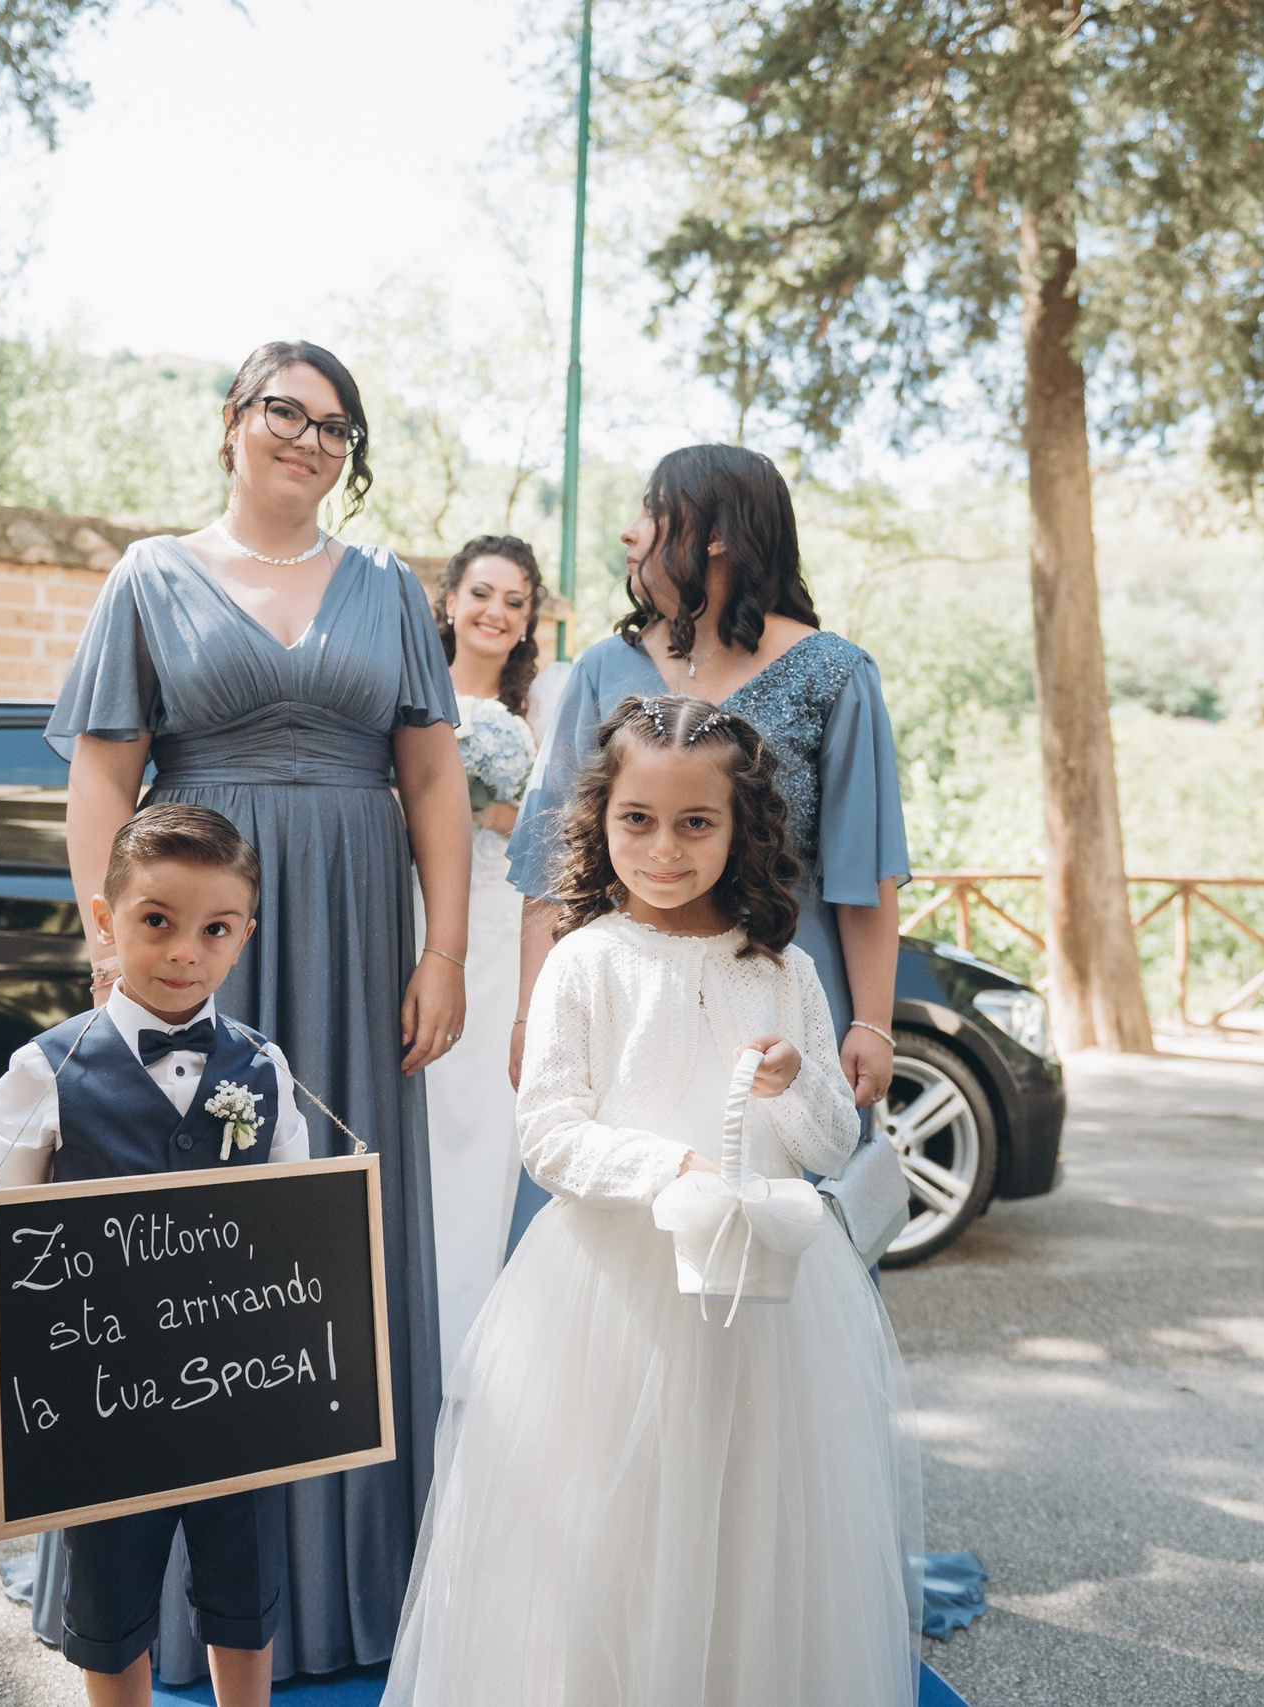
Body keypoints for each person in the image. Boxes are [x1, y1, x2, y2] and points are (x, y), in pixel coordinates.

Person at [43, 340, 471, 1682]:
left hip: (352, 930)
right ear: (232, 420)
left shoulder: (391, 589)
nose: (310, 438)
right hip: (187, 939)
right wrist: (112, 948)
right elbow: (103, 781)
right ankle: (165, 1601)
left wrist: (443, 947)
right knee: (184, 1250)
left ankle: (348, 1582)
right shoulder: (149, 578)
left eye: (336, 423)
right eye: (286, 410)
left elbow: (436, 780)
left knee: (332, 1235)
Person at [387, 695, 920, 1706]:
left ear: (742, 827)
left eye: (695, 823)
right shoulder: (585, 961)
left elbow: (829, 1141)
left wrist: (794, 1079)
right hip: (609, 1305)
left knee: (748, 1526)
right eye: (638, 820)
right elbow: (547, 1134)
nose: (664, 849)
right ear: (602, 821)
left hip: (757, 1307)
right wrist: (669, 1170)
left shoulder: (784, 972)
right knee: (611, 1533)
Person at [505, 446, 908, 1247]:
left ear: (715, 534)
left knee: (772, 1247)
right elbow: (551, 864)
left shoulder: (835, 673)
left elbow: (865, 871)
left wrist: (874, 1022)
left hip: (774, 996)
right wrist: (529, 1010)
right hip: (621, 999)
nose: (630, 531)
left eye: (651, 511)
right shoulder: (602, 667)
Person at [0, 805, 309, 1706]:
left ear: (244, 937)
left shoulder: (264, 1069)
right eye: (157, 919)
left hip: (239, 1391)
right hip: (102, 1403)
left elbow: (298, 1226)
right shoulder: (46, 1069)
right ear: (105, 918)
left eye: (215, 928)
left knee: (244, 1582)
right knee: (110, 1593)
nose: (185, 950)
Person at [422, 535, 544, 1366]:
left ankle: (471, 1333)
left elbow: (561, 823)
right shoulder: (414, 693)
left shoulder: (547, 704)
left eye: (516, 601)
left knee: (483, 1132)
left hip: (501, 926)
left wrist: (497, 810)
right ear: (452, 600)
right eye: (483, 593)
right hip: (421, 916)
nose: (496, 612)